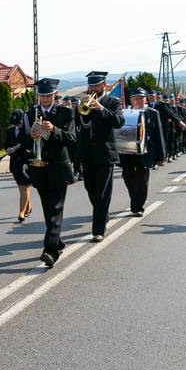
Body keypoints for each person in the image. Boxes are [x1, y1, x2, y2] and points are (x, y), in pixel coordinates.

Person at [26, 80, 76, 268]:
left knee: (55, 209)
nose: (45, 99)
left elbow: (71, 139)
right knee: (48, 211)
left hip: (58, 168)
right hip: (39, 169)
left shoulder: (65, 112)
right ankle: (58, 242)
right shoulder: (31, 113)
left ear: (56, 94)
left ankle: (50, 251)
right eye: (42, 95)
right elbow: (23, 140)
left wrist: (54, 130)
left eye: (49, 95)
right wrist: (29, 135)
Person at [76, 71, 125, 242]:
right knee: (91, 189)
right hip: (87, 154)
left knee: (102, 193)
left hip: (105, 154)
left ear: (105, 85)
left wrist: (102, 109)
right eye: (91, 85)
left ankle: (98, 230)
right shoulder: (83, 103)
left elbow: (119, 121)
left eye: (96, 85)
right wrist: (79, 110)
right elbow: (78, 125)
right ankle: (103, 214)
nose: (93, 89)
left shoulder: (113, 102)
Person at [117, 89, 165, 217]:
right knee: (127, 176)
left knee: (142, 180)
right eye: (135, 98)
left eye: (141, 98)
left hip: (145, 152)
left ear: (146, 99)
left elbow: (158, 135)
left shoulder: (152, 113)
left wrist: (161, 156)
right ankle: (135, 198)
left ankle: (137, 206)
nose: (138, 100)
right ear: (131, 100)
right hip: (126, 153)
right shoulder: (123, 113)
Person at [4, 109, 33, 222]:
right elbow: (6, 144)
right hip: (15, 163)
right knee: (22, 187)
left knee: (24, 187)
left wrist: (20, 148)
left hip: (25, 162)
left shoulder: (28, 130)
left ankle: (21, 212)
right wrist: (8, 149)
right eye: (15, 123)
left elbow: (30, 146)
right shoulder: (10, 131)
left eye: (20, 123)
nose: (18, 125)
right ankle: (28, 207)